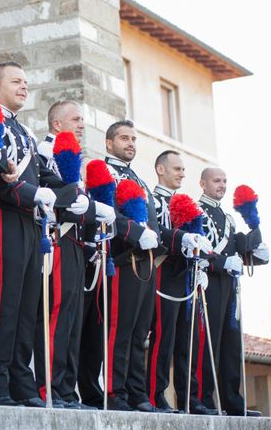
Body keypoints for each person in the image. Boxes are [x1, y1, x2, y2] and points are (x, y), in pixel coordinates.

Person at [0, 62, 87, 407]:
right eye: (16, 82)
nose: (24, 87)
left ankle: (20, 380)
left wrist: (75, 194)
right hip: (5, 217)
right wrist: (31, 194)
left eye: (26, 82)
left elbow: (43, 178)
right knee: (6, 304)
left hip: (30, 222)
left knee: (27, 307)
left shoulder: (23, 132)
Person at [34, 101, 114, 409]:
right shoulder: (44, 150)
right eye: (75, 119)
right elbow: (48, 189)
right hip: (58, 240)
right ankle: (50, 388)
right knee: (56, 317)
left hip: (79, 245)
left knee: (72, 321)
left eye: (83, 119)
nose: (82, 124)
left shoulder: (77, 159)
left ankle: (67, 390)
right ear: (57, 124)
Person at [103, 120, 168, 412]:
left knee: (140, 333)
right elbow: (105, 212)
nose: (131, 143)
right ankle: (116, 391)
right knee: (121, 330)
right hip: (122, 258)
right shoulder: (105, 172)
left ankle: (136, 391)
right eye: (124, 138)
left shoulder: (137, 178)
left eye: (133, 139)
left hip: (147, 262)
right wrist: (135, 233)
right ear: (109, 143)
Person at [145, 150, 215, 414]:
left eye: (184, 170)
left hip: (186, 276)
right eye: (177, 169)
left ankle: (189, 398)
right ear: (161, 169)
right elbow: (156, 234)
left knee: (188, 340)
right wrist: (181, 240)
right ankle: (155, 395)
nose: (182, 174)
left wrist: (201, 263)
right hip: (164, 272)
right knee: (164, 338)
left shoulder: (185, 202)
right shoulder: (153, 200)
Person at [198, 167, 268, 416]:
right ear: (203, 183)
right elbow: (198, 252)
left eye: (225, 181)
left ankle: (233, 402)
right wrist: (221, 263)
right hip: (208, 282)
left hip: (230, 284)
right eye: (217, 180)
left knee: (231, 344)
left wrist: (256, 248)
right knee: (210, 343)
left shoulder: (228, 218)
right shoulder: (197, 211)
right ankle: (204, 400)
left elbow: (239, 249)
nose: (222, 185)